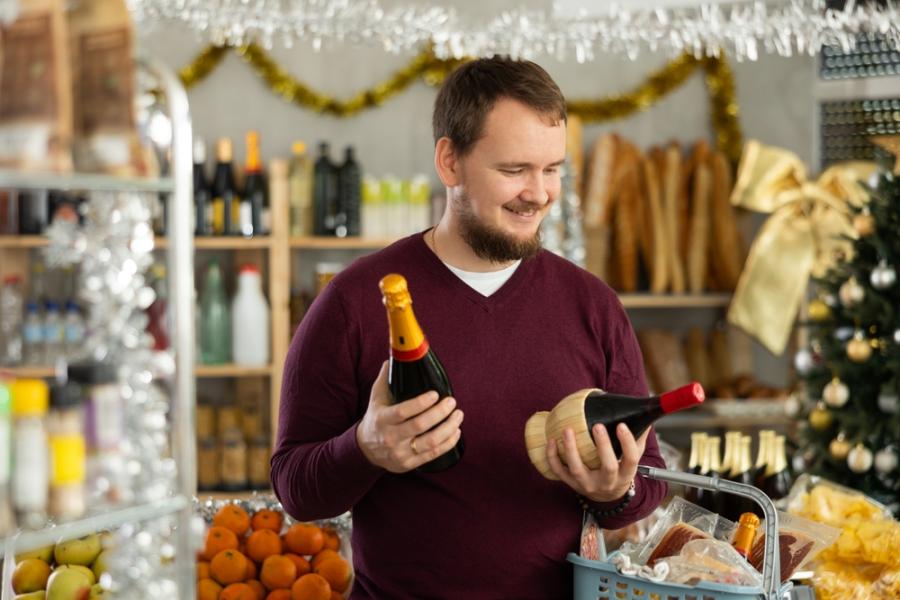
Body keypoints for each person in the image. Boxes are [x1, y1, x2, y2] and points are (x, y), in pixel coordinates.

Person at [272, 56, 667, 599]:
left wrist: (615, 491)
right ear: (449, 161)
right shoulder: (356, 301)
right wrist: (364, 448)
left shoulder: (593, 306)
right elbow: (294, 485)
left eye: (552, 169)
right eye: (514, 170)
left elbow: (649, 483)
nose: (540, 192)